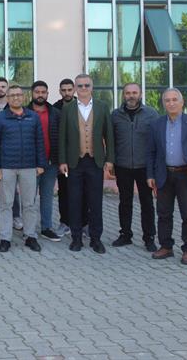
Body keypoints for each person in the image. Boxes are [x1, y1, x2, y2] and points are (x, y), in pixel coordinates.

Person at [147, 88, 187, 266]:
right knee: (163, 213)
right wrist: (150, 174)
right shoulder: (156, 124)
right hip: (164, 174)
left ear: (182, 102)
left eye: (174, 99)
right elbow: (151, 152)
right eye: (167, 100)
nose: (171, 103)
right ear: (163, 104)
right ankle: (166, 246)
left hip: (186, 175)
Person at [58, 74, 115, 254]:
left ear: (92, 87)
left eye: (86, 85)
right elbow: (62, 137)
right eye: (80, 86)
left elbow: (109, 135)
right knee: (74, 200)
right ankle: (76, 238)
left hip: (95, 161)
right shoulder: (68, 109)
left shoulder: (102, 107)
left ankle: (96, 239)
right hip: (74, 162)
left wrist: (110, 159)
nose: (83, 88)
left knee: (95, 201)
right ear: (75, 88)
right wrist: (62, 160)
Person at [0, 85, 47, 253]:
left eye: (18, 95)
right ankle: (5, 238)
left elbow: (39, 142)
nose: (15, 98)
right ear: (7, 98)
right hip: (6, 167)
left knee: (29, 204)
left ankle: (30, 236)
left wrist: (41, 164)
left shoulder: (33, 117)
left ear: (23, 97)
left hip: (29, 166)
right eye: (12, 95)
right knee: (5, 204)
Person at [111, 82, 159, 251]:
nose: (131, 96)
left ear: (140, 94)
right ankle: (125, 234)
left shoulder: (151, 114)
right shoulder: (115, 115)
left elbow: (157, 142)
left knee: (147, 203)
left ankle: (149, 238)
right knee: (125, 202)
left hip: (144, 166)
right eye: (128, 93)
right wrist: (111, 161)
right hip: (122, 165)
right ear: (123, 95)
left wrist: (156, 166)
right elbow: (111, 140)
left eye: (134, 92)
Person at [28, 81, 63, 242]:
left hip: (51, 162)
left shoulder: (56, 113)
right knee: (29, 199)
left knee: (47, 196)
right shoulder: (24, 112)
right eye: (37, 92)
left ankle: (46, 228)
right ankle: (29, 230)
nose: (40, 95)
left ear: (47, 94)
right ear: (32, 93)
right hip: (30, 164)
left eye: (43, 92)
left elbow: (61, 138)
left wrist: (61, 160)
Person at [0, 77, 20, 229]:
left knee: (12, 187)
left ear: (7, 89)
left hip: (11, 153)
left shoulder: (15, 107)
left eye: (3, 86)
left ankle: (15, 216)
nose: (0, 89)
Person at [53, 78, 77, 236]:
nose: (67, 93)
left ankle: (83, 223)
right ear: (60, 91)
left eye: (69, 89)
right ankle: (65, 222)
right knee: (64, 191)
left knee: (83, 191)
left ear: (74, 90)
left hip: (81, 157)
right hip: (62, 159)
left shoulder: (82, 106)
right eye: (64, 90)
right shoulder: (55, 108)